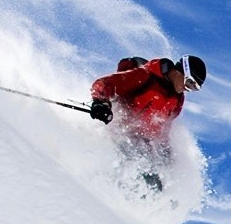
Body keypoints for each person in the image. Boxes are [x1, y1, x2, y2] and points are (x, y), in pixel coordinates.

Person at [89, 54, 208, 189]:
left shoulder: (177, 100)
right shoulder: (145, 76)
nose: (188, 89)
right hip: (119, 133)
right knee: (140, 176)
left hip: (143, 145)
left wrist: (165, 151)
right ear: (179, 71)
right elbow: (106, 83)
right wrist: (100, 103)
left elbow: (164, 128)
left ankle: (142, 208)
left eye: (194, 88)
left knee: (157, 186)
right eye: (189, 82)